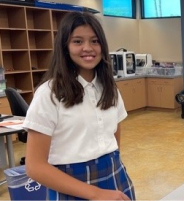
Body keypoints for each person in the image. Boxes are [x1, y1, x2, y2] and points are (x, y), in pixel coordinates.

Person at [23, 12, 135, 201]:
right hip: (70, 185)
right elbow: (35, 167)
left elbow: (114, 141)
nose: (87, 48)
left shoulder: (109, 89)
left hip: (115, 177)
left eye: (94, 41)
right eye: (77, 41)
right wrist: (96, 194)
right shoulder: (49, 93)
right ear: (65, 47)